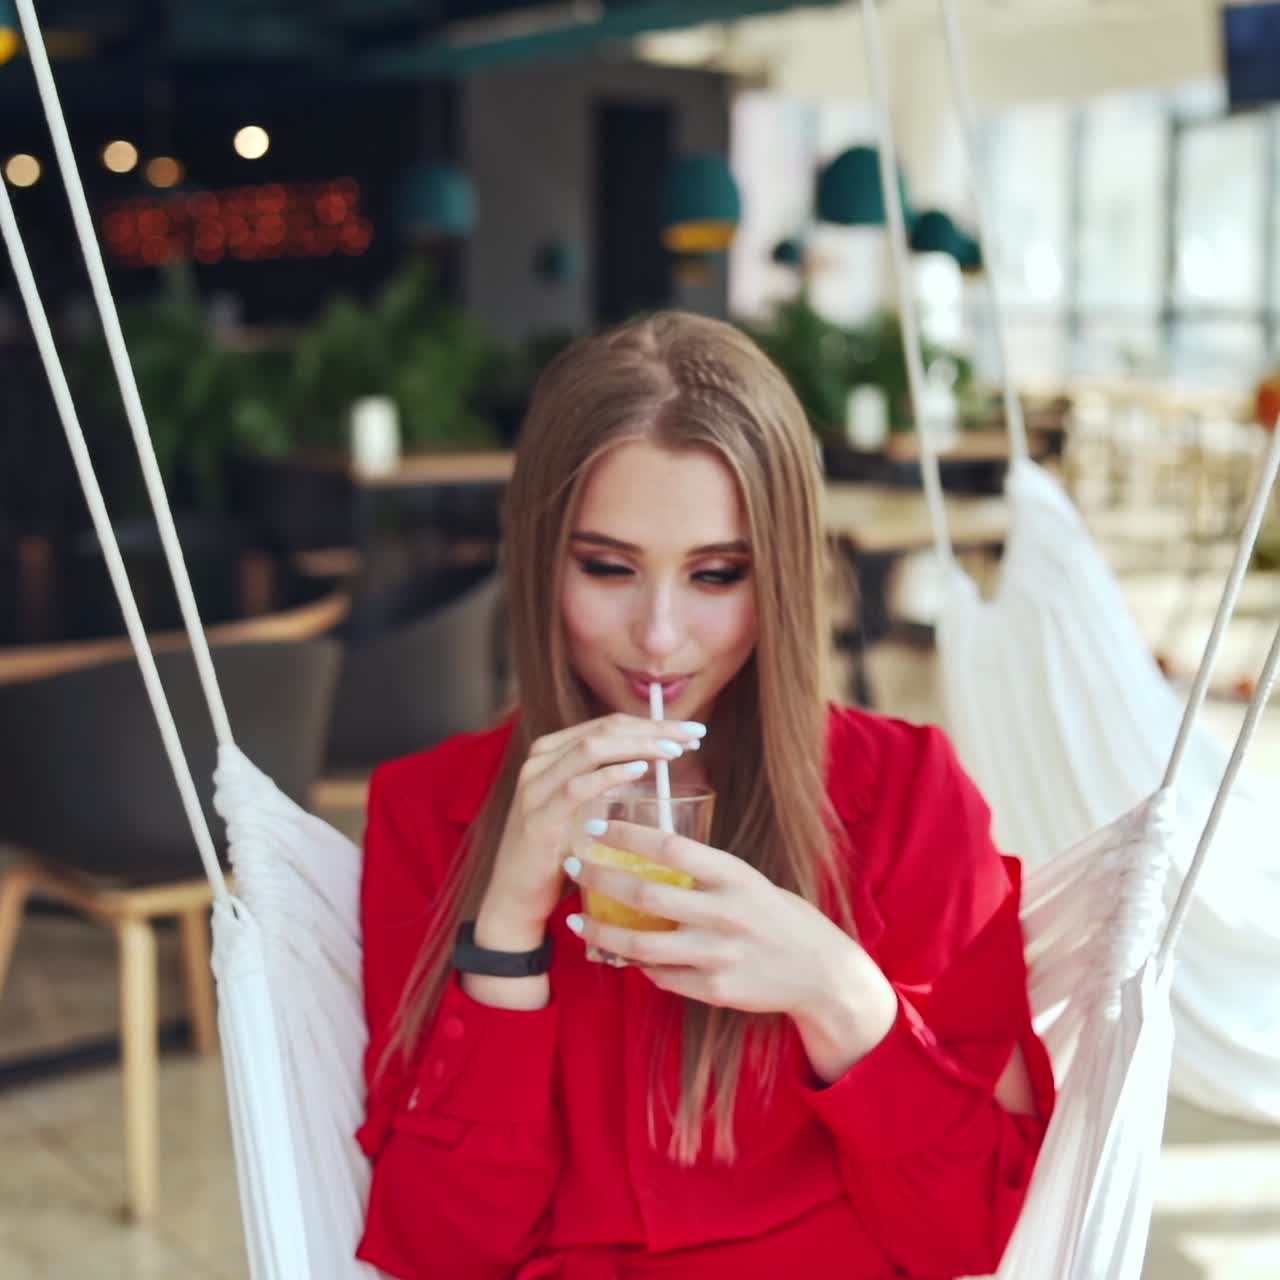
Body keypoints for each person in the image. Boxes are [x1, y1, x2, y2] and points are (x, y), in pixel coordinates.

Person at [356, 311, 1055, 1280]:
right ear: (536, 558)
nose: (657, 635)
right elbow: (438, 1250)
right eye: (606, 567)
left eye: (717, 574)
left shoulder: (904, 793)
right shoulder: (427, 807)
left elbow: (969, 1229)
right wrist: (506, 923)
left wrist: (835, 989)